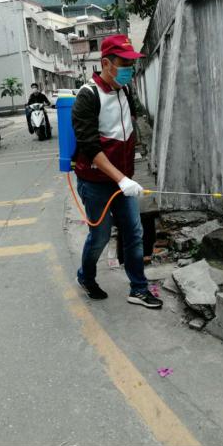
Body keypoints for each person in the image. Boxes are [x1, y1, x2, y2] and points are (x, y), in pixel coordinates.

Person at [72, 35, 162, 309]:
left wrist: (127, 177)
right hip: (95, 182)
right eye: (124, 64)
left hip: (123, 181)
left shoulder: (124, 91)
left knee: (134, 232)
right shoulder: (87, 96)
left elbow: (129, 128)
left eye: (131, 64)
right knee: (100, 236)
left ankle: (138, 288)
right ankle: (86, 276)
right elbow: (90, 147)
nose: (129, 70)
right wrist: (121, 178)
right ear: (106, 64)